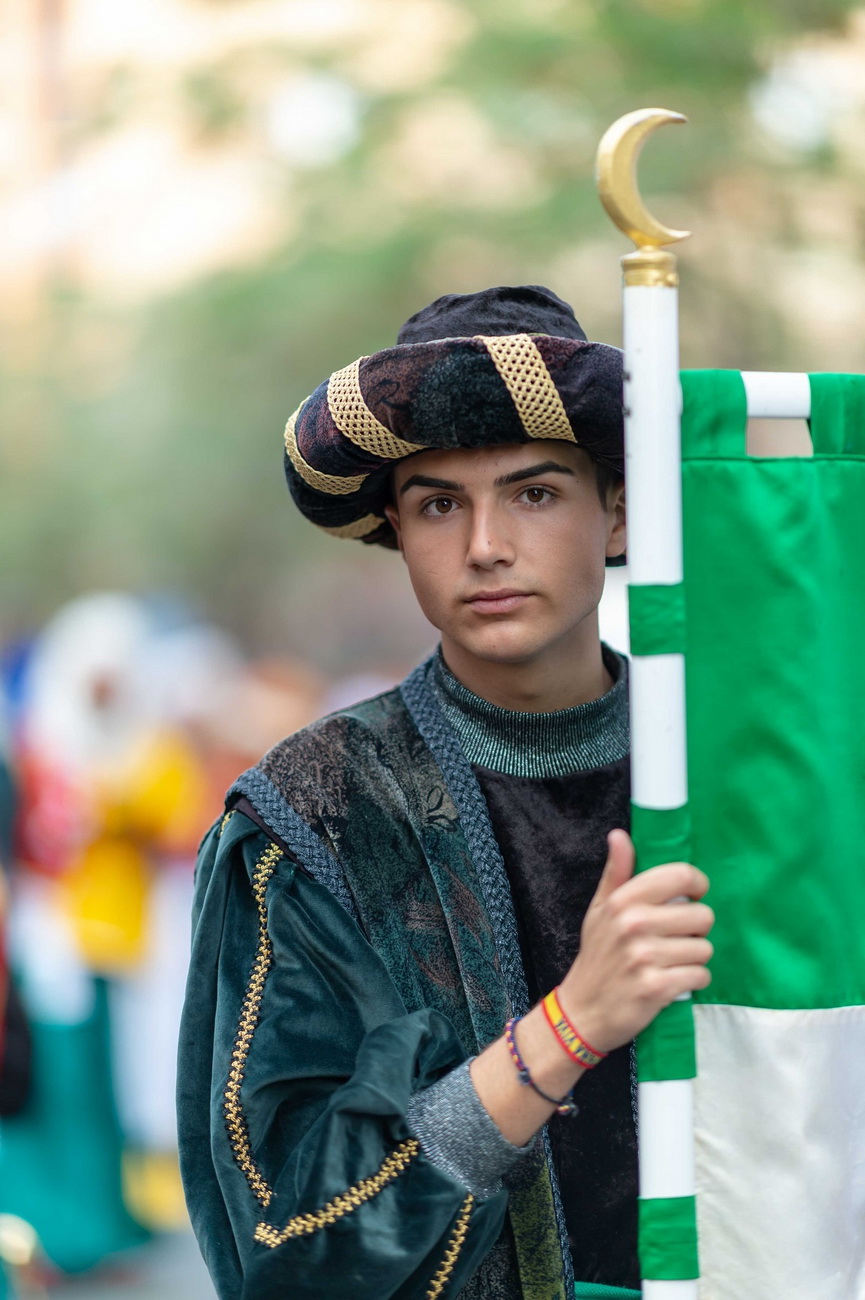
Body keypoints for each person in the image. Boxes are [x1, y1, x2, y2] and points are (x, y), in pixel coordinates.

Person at [177, 286, 714, 1300]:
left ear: (617, 513)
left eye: (534, 494)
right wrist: (571, 1024)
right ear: (395, 528)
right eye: (438, 504)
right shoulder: (318, 810)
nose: (484, 546)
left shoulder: (729, 769)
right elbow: (287, 1238)